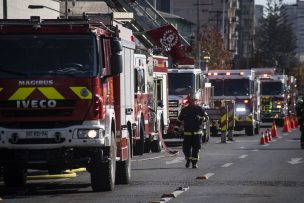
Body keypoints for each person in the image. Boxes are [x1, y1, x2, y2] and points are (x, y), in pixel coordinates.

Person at [175, 93, 208, 168]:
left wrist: (200, 118)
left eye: (195, 101)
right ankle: (188, 160)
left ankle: (194, 163)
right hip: (187, 134)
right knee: (185, 149)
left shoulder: (200, 109)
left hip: (197, 134)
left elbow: (207, 118)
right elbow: (179, 120)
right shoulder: (185, 110)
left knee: (196, 149)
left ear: (197, 101)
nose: (193, 102)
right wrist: (176, 128)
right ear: (189, 101)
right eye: (192, 101)